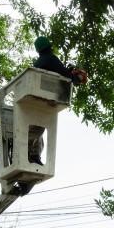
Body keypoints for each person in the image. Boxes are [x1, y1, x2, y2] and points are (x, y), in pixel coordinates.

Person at [28, 36, 85, 165]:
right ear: (49, 48)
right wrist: (78, 77)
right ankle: (27, 154)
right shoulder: (51, 59)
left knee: (39, 125)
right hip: (45, 97)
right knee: (38, 129)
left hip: (37, 97)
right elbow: (67, 77)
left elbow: (60, 72)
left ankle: (34, 155)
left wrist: (68, 71)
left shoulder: (39, 62)